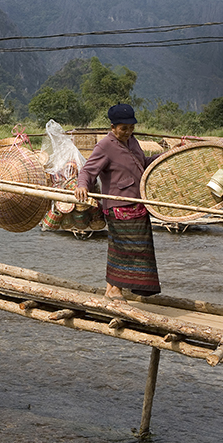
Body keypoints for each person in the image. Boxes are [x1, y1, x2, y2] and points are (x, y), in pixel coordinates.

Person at [75, 103, 161, 301]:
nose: (128, 132)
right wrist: (82, 186)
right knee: (125, 248)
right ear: (113, 127)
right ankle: (115, 290)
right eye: (123, 129)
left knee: (129, 248)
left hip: (138, 204)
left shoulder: (133, 142)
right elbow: (88, 170)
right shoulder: (105, 146)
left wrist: (165, 157)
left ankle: (111, 289)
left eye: (131, 128)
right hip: (119, 206)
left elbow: (143, 164)